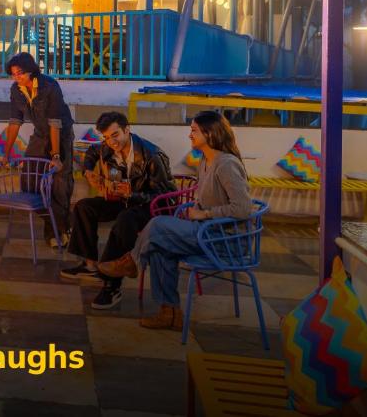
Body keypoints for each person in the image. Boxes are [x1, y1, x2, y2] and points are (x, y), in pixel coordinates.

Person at [99, 110, 254, 330]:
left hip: (224, 241)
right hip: (205, 232)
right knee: (161, 248)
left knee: (158, 224)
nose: (190, 135)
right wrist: (195, 210)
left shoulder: (226, 164)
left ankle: (132, 262)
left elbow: (243, 208)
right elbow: (209, 200)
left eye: (194, 131)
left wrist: (204, 214)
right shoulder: (206, 161)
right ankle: (169, 313)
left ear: (210, 134)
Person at [60, 112, 175, 309]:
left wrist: (132, 194)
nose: (111, 141)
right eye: (106, 137)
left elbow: (166, 198)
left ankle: (111, 284)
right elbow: (92, 152)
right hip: (123, 200)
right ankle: (89, 265)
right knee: (83, 207)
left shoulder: (152, 156)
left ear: (127, 130)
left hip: (149, 207)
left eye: (115, 135)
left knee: (125, 219)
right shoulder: (107, 147)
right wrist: (89, 171)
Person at [3, 52, 75, 247]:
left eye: (20, 73)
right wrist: (6, 153)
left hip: (61, 133)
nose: (16, 77)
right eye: (13, 74)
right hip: (40, 135)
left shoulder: (49, 86)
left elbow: (55, 123)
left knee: (60, 183)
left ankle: (55, 233)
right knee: (29, 181)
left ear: (31, 71)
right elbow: (15, 121)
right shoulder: (16, 90)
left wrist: (56, 155)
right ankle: (62, 225)